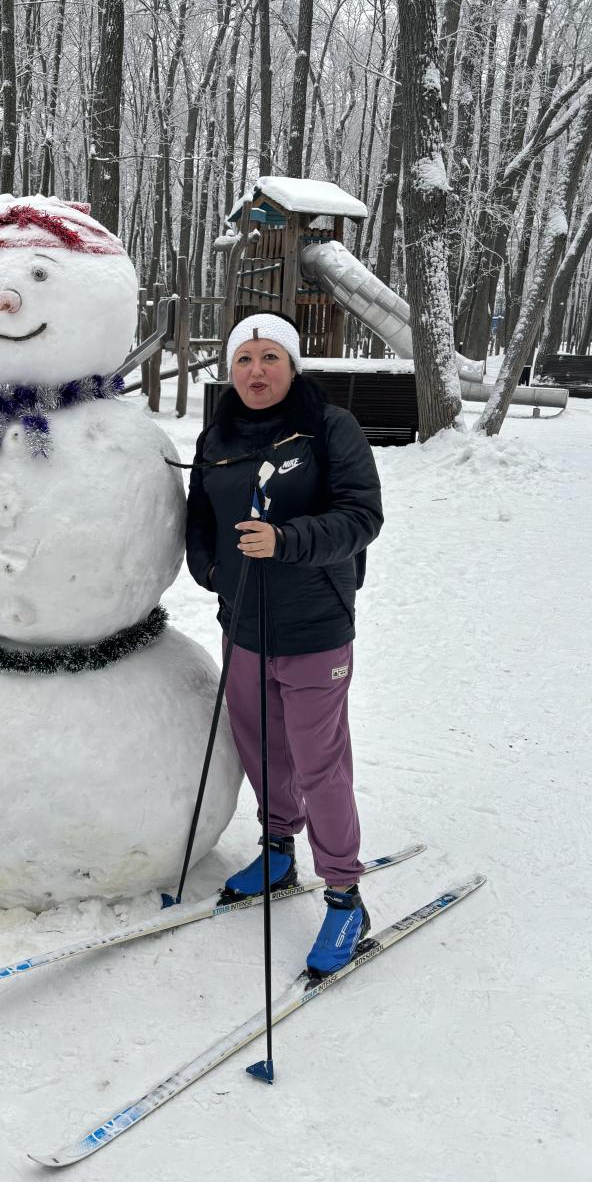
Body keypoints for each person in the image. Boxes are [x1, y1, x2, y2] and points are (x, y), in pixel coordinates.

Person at [185, 312, 383, 976]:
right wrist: (211, 570)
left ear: (292, 365)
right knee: (262, 746)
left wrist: (288, 540)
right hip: (243, 626)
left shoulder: (330, 429)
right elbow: (200, 518)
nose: (256, 371)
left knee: (320, 761)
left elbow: (362, 517)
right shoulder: (219, 434)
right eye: (245, 358)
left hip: (313, 627)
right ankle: (277, 848)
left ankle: (345, 893)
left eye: (271, 357)